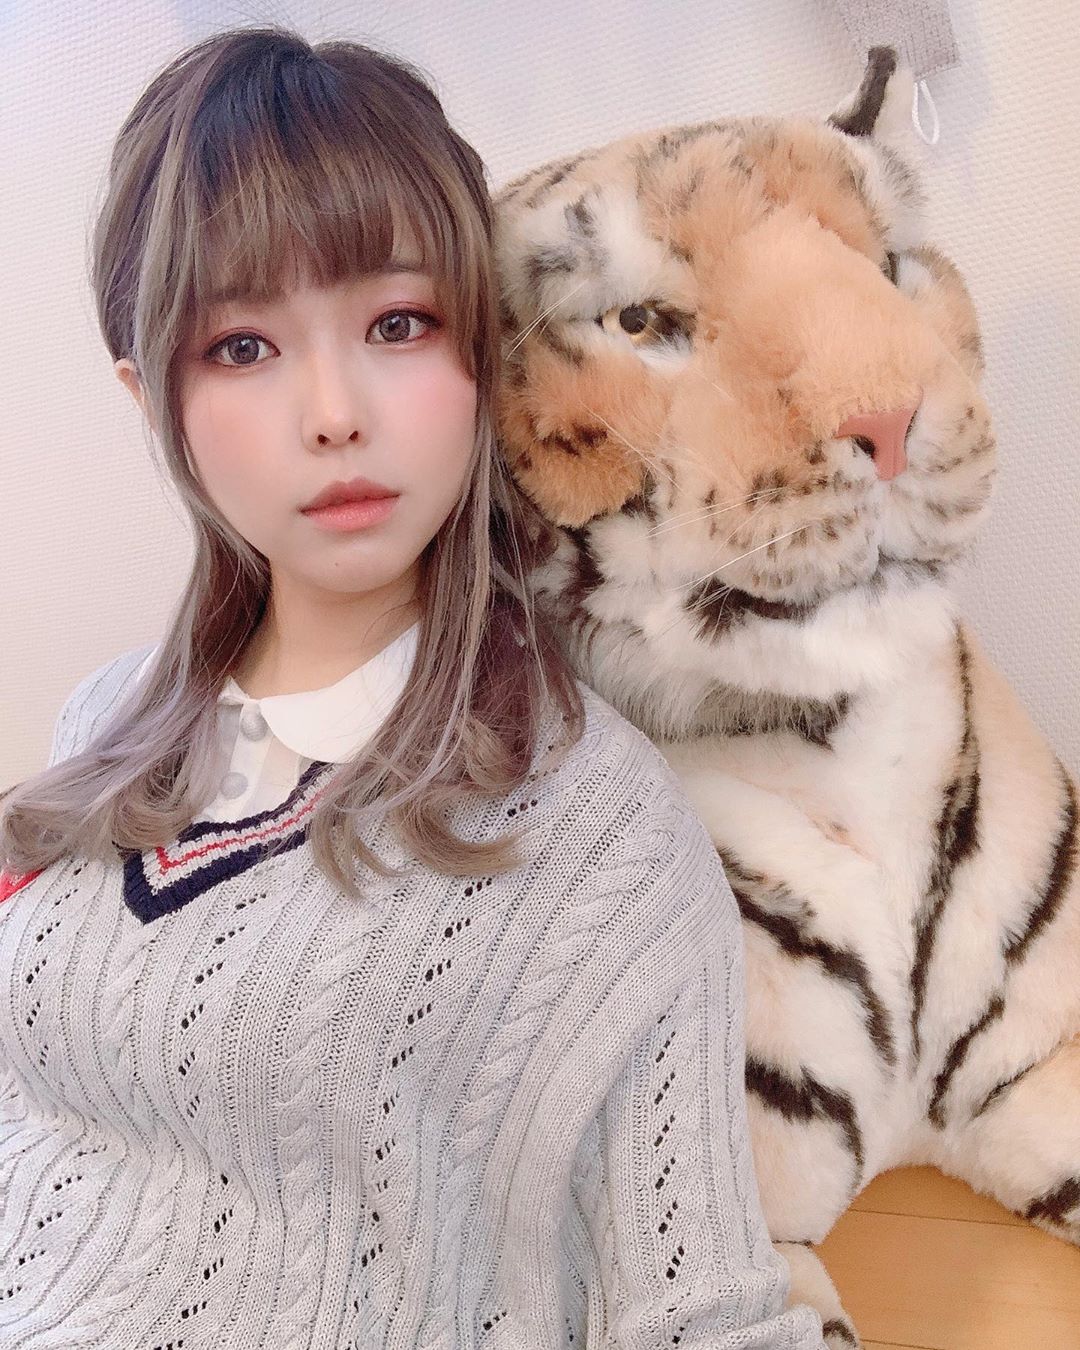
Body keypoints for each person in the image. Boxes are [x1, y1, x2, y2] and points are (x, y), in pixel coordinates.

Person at [0, 25, 827, 1349]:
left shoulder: (597, 834)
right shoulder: (104, 719)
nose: (334, 410)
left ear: (478, 355)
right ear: (150, 398)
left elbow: (701, 1310)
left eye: (397, 324)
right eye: (242, 347)